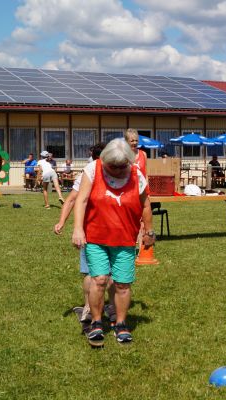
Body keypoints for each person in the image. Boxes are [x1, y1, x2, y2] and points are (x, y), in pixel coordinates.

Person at [72, 138, 155, 346]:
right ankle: (96, 322)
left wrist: (149, 231)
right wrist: (78, 229)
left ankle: (121, 324)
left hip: (125, 238)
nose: (117, 170)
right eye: (112, 166)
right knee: (99, 280)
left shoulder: (136, 174)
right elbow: (81, 200)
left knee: (122, 284)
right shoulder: (93, 169)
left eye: (121, 166)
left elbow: (146, 205)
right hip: (96, 237)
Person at [54, 144, 106, 324]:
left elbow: (71, 200)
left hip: (100, 230)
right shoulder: (90, 172)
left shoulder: (91, 171)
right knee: (96, 273)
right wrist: (62, 222)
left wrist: (62, 222)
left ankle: (93, 307)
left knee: (94, 273)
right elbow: (72, 200)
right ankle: (92, 308)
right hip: (95, 230)